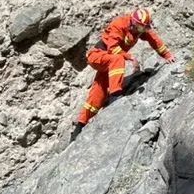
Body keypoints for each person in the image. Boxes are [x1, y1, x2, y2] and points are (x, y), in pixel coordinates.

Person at [71, 8, 174, 139]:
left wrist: (167, 55)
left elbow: (154, 39)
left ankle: (79, 126)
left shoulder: (138, 29)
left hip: (108, 60)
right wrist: (130, 57)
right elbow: (113, 49)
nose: (142, 30)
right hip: (97, 55)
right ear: (133, 21)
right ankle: (115, 95)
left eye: (144, 28)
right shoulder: (119, 24)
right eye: (140, 27)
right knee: (118, 59)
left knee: (98, 91)